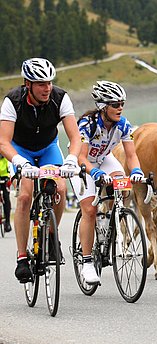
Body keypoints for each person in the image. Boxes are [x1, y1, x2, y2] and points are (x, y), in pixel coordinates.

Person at [0, 57, 81, 283]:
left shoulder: (60, 98)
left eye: (49, 83)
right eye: (41, 84)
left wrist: (72, 159)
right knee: (25, 196)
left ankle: (51, 237)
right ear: (28, 84)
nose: (47, 88)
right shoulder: (12, 101)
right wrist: (20, 162)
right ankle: (22, 257)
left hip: (48, 149)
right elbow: (3, 142)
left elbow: (75, 137)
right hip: (21, 150)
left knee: (61, 189)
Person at [69, 80, 145, 285]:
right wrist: (93, 173)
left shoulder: (123, 124)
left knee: (125, 187)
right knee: (89, 209)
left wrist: (137, 170)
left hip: (104, 159)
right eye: (115, 104)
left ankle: (109, 218)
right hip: (81, 163)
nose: (120, 108)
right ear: (103, 106)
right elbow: (82, 157)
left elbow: (131, 155)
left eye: (122, 103)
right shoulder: (88, 124)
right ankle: (86, 262)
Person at [0, 154, 12, 232]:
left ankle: (7, 222)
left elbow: (10, 168)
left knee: (6, 199)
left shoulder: (6, 156)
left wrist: (8, 178)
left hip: (4, 179)